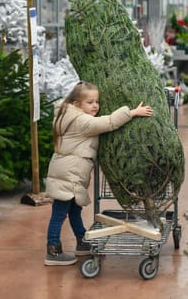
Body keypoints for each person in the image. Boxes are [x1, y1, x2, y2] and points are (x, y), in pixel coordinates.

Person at [44, 81, 154, 266]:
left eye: (97, 101)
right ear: (78, 104)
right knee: (60, 212)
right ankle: (53, 251)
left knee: (74, 209)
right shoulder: (80, 121)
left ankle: (82, 242)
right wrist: (132, 112)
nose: (95, 105)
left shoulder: (68, 115)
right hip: (69, 174)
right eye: (90, 102)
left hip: (68, 171)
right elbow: (108, 122)